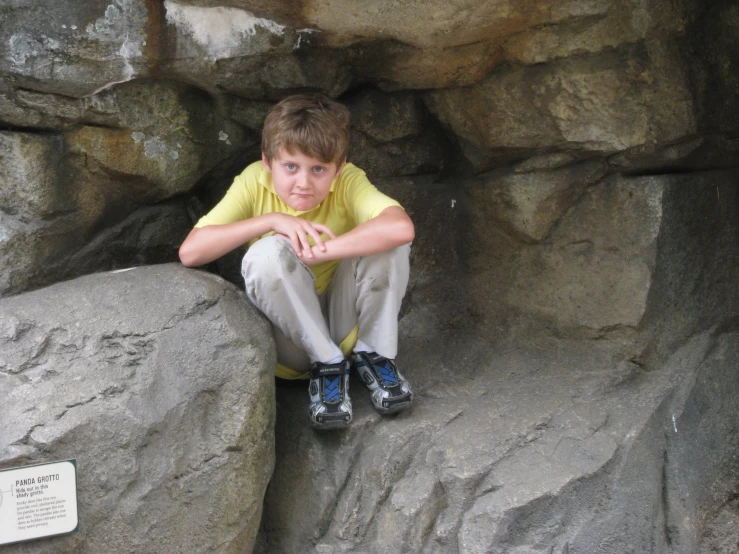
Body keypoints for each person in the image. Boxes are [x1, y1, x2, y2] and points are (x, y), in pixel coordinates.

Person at [178, 93, 415, 430]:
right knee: (266, 253)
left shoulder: (348, 180)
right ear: (268, 161)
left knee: (390, 243)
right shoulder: (252, 182)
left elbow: (400, 226)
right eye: (291, 167)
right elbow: (191, 252)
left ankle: (373, 355)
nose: (303, 183)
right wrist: (271, 221)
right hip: (293, 344)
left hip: (344, 323)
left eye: (318, 169)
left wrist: (321, 250)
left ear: (339, 167)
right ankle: (327, 365)